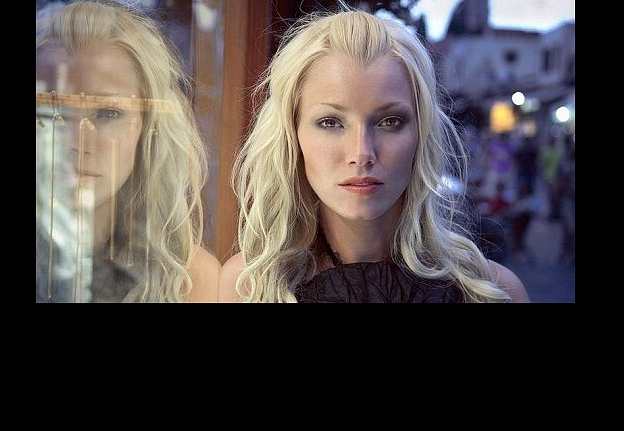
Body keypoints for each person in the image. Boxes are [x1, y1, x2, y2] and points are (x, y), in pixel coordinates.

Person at [218, 8, 529, 302]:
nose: (362, 153)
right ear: (293, 134)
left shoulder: (490, 291)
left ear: (421, 134)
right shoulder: (249, 288)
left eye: (390, 122)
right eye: (331, 122)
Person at [36, 0, 220, 302]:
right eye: (53, 112)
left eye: (108, 113)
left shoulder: (191, 281)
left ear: (147, 127)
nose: (76, 142)